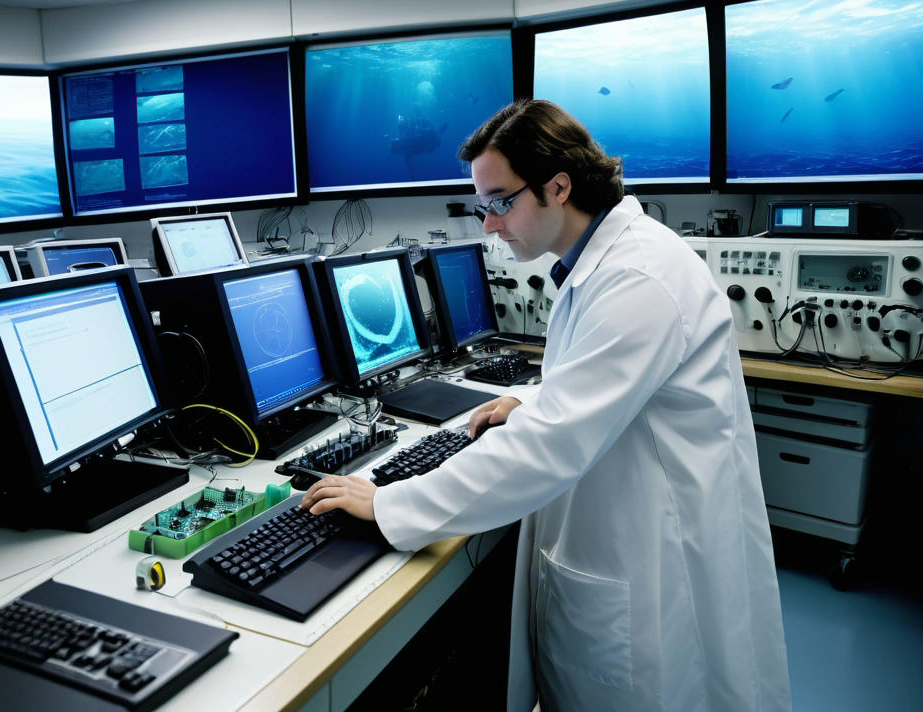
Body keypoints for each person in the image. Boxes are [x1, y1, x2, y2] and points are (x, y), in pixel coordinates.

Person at [301, 99, 792, 712]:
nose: (489, 224)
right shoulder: (604, 261)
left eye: (500, 202)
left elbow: (552, 445)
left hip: (655, 570)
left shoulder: (638, 277)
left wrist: (393, 502)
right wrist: (532, 399)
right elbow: (597, 389)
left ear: (558, 187)